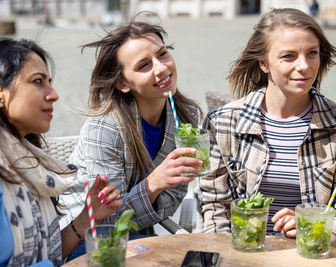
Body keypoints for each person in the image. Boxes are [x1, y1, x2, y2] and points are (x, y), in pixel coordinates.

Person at [0, 38, 122, 266]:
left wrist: (86, 216)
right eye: (37, 82)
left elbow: (46, 257)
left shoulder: (30, 162)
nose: (54, 95)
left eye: (49, 82)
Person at [199, 7, 336, 243]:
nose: (304, 66)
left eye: (312, 53)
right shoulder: (223, 122)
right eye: (288, 56)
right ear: (263, 63)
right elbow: (215, 208)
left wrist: (319, 227)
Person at [59, 18, 203, 240]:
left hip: (140, 232)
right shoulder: (105, 129)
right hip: (84, 238)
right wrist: (153, 184)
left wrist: (155, 193)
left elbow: (174, 198)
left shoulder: (186, 118)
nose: (162, 68)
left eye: (162, 53)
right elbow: (106, 218)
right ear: (122, 83)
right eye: (144, 65)